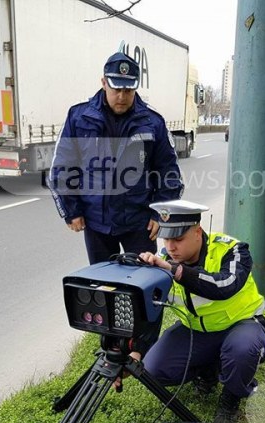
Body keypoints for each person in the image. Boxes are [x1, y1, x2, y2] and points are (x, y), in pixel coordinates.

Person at [130, 200, 265, 423]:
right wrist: (138, 348)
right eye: (167, 239)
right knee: (153, 370)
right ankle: (208, 371)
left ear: (197, 231)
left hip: (242, 325)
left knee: (242, 350)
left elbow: (224, 285)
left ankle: (230, 401)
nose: (171, 247)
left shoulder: (233, 250)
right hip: (196, 332)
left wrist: (175, 271)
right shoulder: (165, 258)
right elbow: (152, 308)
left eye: (178, 239)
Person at [48, 51, 184, 264]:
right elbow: (62, 168)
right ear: (104, 83)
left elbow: (169, 173)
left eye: (128, 90)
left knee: (143, 284)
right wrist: (71, 211)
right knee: (103, 288)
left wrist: (161, 214)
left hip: (139, 225)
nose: (122, 96)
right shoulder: (79, 117)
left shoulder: (152, 122)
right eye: (116, 88)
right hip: (96, 224)